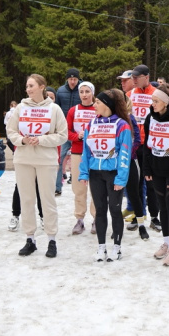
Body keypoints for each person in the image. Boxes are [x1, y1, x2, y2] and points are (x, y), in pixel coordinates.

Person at [7, 74, 68, 259]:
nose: (28, 89)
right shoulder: (20, 108)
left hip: (46, 160)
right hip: (23, 159)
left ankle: (51, 239)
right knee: (26, 200)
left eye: (31, 85)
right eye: (27, 86)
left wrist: (40, 139)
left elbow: (62, 135)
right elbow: (10, 131)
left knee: (47, 200)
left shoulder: (54, 109)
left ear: (42, 87)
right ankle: (30, 239)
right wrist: (23, 140)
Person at [79, 89, 134, 262]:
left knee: (115, 210)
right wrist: (83, 172)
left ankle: (116, 247)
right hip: (96, 173)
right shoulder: (91, 123)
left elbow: (125, 154)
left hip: (113, 173)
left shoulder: (121, 125)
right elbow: (85, 151)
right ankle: (101, 246)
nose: (94, 105)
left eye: (97, 102)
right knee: (100, 211)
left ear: (107, 105)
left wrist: (121, 178)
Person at [142, 84, 169, 266]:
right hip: (156, 170)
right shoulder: (150, 118)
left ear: (166, 103)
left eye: (156, 101)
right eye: (152, 100)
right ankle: (166, 242)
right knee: (162, 209)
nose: (152, 104)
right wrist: (147, 169)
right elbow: (146, 146)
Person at [128, 64, 162, 231]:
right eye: (132, 77)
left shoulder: (155, 95)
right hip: (135, 145)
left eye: (137, 77)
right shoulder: (130, 94)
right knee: (136, 182)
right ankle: (137, 214)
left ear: (147, 77)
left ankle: (155, 217)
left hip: (150, 145)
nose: (134, 80)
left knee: (151, 182)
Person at [67, 81, 98, 234]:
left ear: (92, 93)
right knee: (78, 187)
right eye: (81, 92)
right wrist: (77, 136)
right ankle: (79, 219)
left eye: (87, 91)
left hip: (95, 153)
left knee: (95, 188)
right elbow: (66, 132)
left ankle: (96, 219)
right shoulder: (73, 110)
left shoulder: (98, 109)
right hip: (78, 152)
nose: (84, 95)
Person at [55, 68, 82, 196]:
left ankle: (84, 185)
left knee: (83, 159)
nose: (72, 81)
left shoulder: (83, 90)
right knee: (60, 158)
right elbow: (56, 109)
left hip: (79, 131)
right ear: (67, 79)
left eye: (75, 79)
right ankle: (57, 186)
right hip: (64, 130)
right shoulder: (60, 91)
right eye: (70, 79)